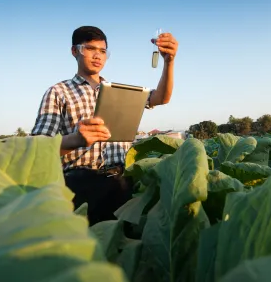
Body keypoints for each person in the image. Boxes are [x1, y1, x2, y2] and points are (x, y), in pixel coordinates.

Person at [30, 25, 178, 225]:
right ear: (75, 51)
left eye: (102, 51)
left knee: (124, 248)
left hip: (122, 183)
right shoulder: (58, 92)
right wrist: (75, 140)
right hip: (78, 185)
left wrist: (169, 62)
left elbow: (161, 97)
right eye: (90, 49)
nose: (97, 56)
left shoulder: (120, 92)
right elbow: (38, 148)